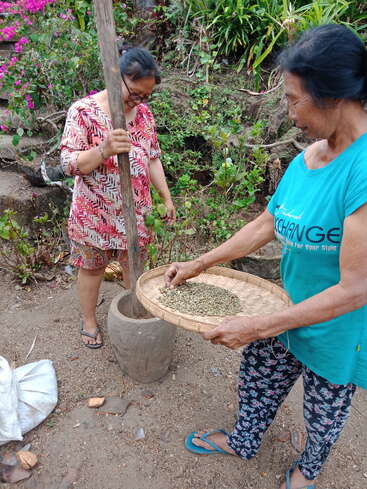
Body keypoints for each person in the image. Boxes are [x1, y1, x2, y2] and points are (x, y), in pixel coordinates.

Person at [165, 24, 367, 489]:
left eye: (295, 99)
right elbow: (266, 224)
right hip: (282, 305)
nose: (290, 112)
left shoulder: (361, 168)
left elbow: (356, 288)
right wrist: (201, 263)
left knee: (325, 412)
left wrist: (258, 326)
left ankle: (308, 470)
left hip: (335, 327)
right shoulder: (306, 159)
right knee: (256, 384)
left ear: (333, 95)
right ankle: (243, 439)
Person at [60, 45, 175, 349]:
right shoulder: (84, 112)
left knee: (134, 266)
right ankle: (88, 320)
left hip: (135, 210)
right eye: (135, 93)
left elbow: (152, 157)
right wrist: (104, 150)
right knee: (92, 266)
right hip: (93, 211)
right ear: (116, 77)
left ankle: (135, 312)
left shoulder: (144, 115)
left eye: (146, 96)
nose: (140, 101)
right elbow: (69, 164)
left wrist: (165, 197)